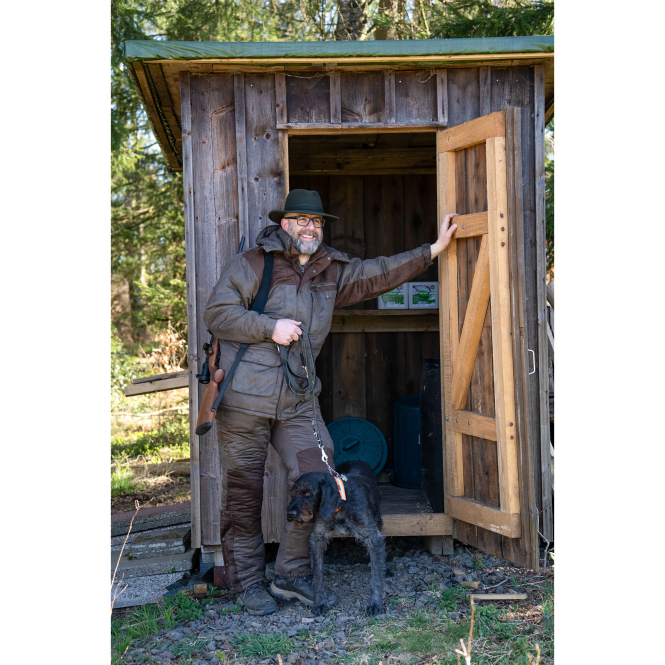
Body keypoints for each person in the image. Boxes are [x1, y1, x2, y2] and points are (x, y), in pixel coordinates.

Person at [203, 189, 458, 615]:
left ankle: (290, 574)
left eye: (317, 221)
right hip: (245, 402)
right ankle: (247, 583)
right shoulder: (254, 264)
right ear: (285, 223)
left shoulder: (330, 270)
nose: (310, 227)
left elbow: (379, 273)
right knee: (245, 494)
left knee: (321, 481)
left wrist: (432, 249)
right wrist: (269, 327)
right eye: (302, 220)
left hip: (298, 401)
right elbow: (217, 313)